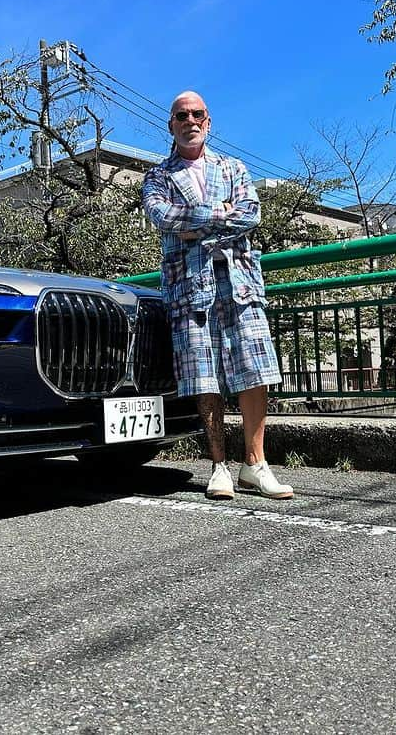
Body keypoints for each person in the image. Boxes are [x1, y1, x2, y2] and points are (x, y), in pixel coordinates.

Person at [141, 90, 292, 500]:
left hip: (239, 279)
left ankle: (255, 464)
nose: (190, 120)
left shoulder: (233, 167)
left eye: (198, 114)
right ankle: (219, 466)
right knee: (202, 373)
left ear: (208, 122)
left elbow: (251, 213)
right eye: (181, 115)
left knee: (255, 366)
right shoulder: (157, 176)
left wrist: (195, 225)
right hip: (189, 283)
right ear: (171, 125)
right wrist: (219, 212)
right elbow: (162, 216)